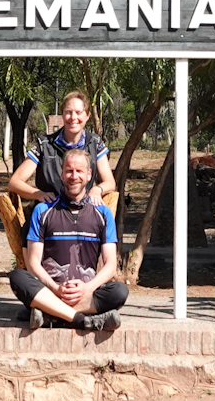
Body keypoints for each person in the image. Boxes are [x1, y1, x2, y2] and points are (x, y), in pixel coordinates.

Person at [10, 148, 126, 331]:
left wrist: (87, 288)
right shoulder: (43, 211)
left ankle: (50, 313)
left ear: (89, 175)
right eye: (69, 171)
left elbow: (111, 264)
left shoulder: (103, 213)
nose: (74, 176)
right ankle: (81, 320)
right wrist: (56, 289)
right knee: (18, 277)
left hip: (85, 292)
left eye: (79, 171)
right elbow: (32, 263)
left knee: (119, 291)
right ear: (61, 175)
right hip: (50, 290)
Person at [8, 91, 115, 205]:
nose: (73, 117)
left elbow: (110, 182)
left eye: (78, 112)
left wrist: (97, 190)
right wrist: (38, 194)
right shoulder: (44, 145)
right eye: (68, 112)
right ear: (62, 114)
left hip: (81, 213)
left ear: (87, 115)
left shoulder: (95, 143)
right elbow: (14, 183)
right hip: (49, 212)